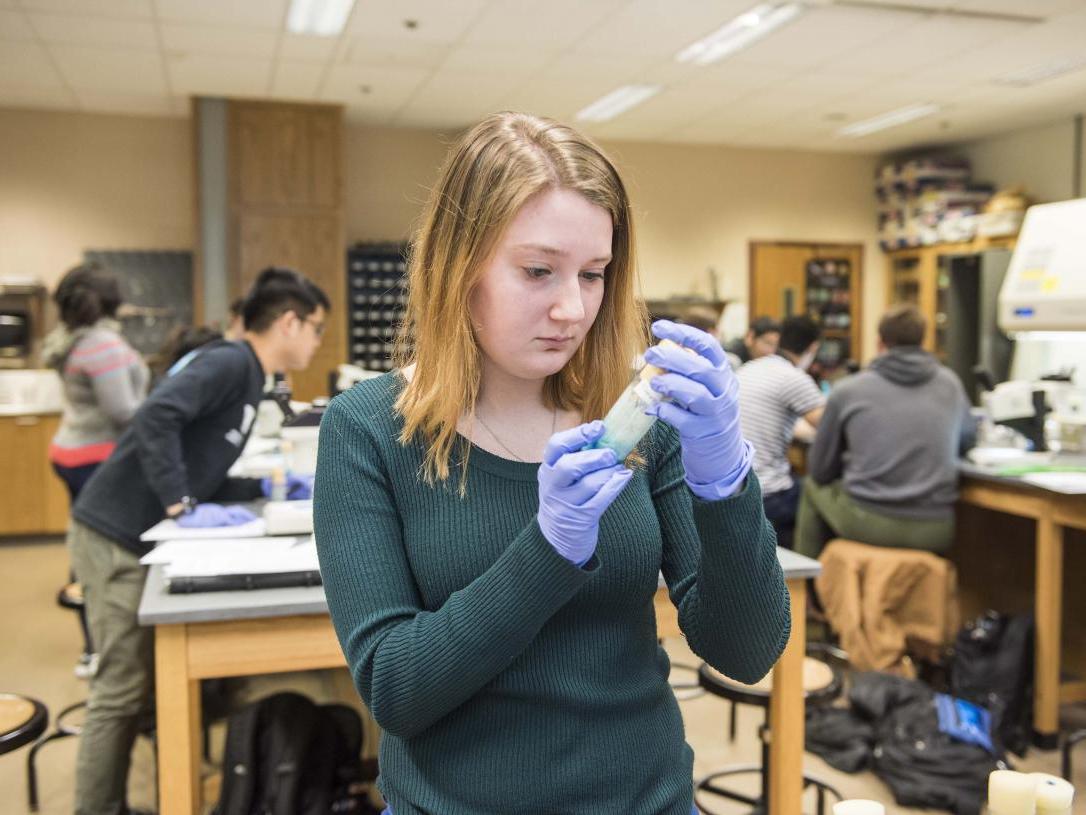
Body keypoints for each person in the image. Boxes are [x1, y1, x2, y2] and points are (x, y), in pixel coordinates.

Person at [313, 112, 789, 815]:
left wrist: (724, 481)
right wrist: (548, 550)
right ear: (458, 265)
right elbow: (395, 688)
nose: (572, 308)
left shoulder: (635, 423)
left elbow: (746, 650)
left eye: (593, 274)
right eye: (538, 270)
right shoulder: (367, 430)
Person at [68, 266, 328, 815]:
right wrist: (178, 504)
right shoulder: (232, 362)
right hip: (113, 534)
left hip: (135, 533)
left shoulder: (249, 378)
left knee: (136, 685)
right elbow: (158, 415)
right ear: (289, 322)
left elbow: (202, 460)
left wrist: (260, 487)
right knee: (118, 693)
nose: (316, 341)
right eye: (315, 328)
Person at [794, 304, 976, 560]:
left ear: (880, 343)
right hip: (936, 528)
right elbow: (969, 439)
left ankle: (804, 591)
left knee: (812, 486)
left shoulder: (848, 391)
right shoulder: (951, 384)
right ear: (923, 340)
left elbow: (822, 470)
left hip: (869, 521)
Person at [42, 263, 148, 501]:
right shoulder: (102, 344)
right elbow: (120, 410)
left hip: (71, 447)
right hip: (97, 454)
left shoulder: (72, 338)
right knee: (105, 534)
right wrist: (160, 413)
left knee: (84, 526)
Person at [736, 315, 825, 549]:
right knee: (822, 493)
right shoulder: (794, 378)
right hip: (768, 494)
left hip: (733, 487)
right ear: (812, 347)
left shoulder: (748, 368)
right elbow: (830, 427)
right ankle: (809, 572)